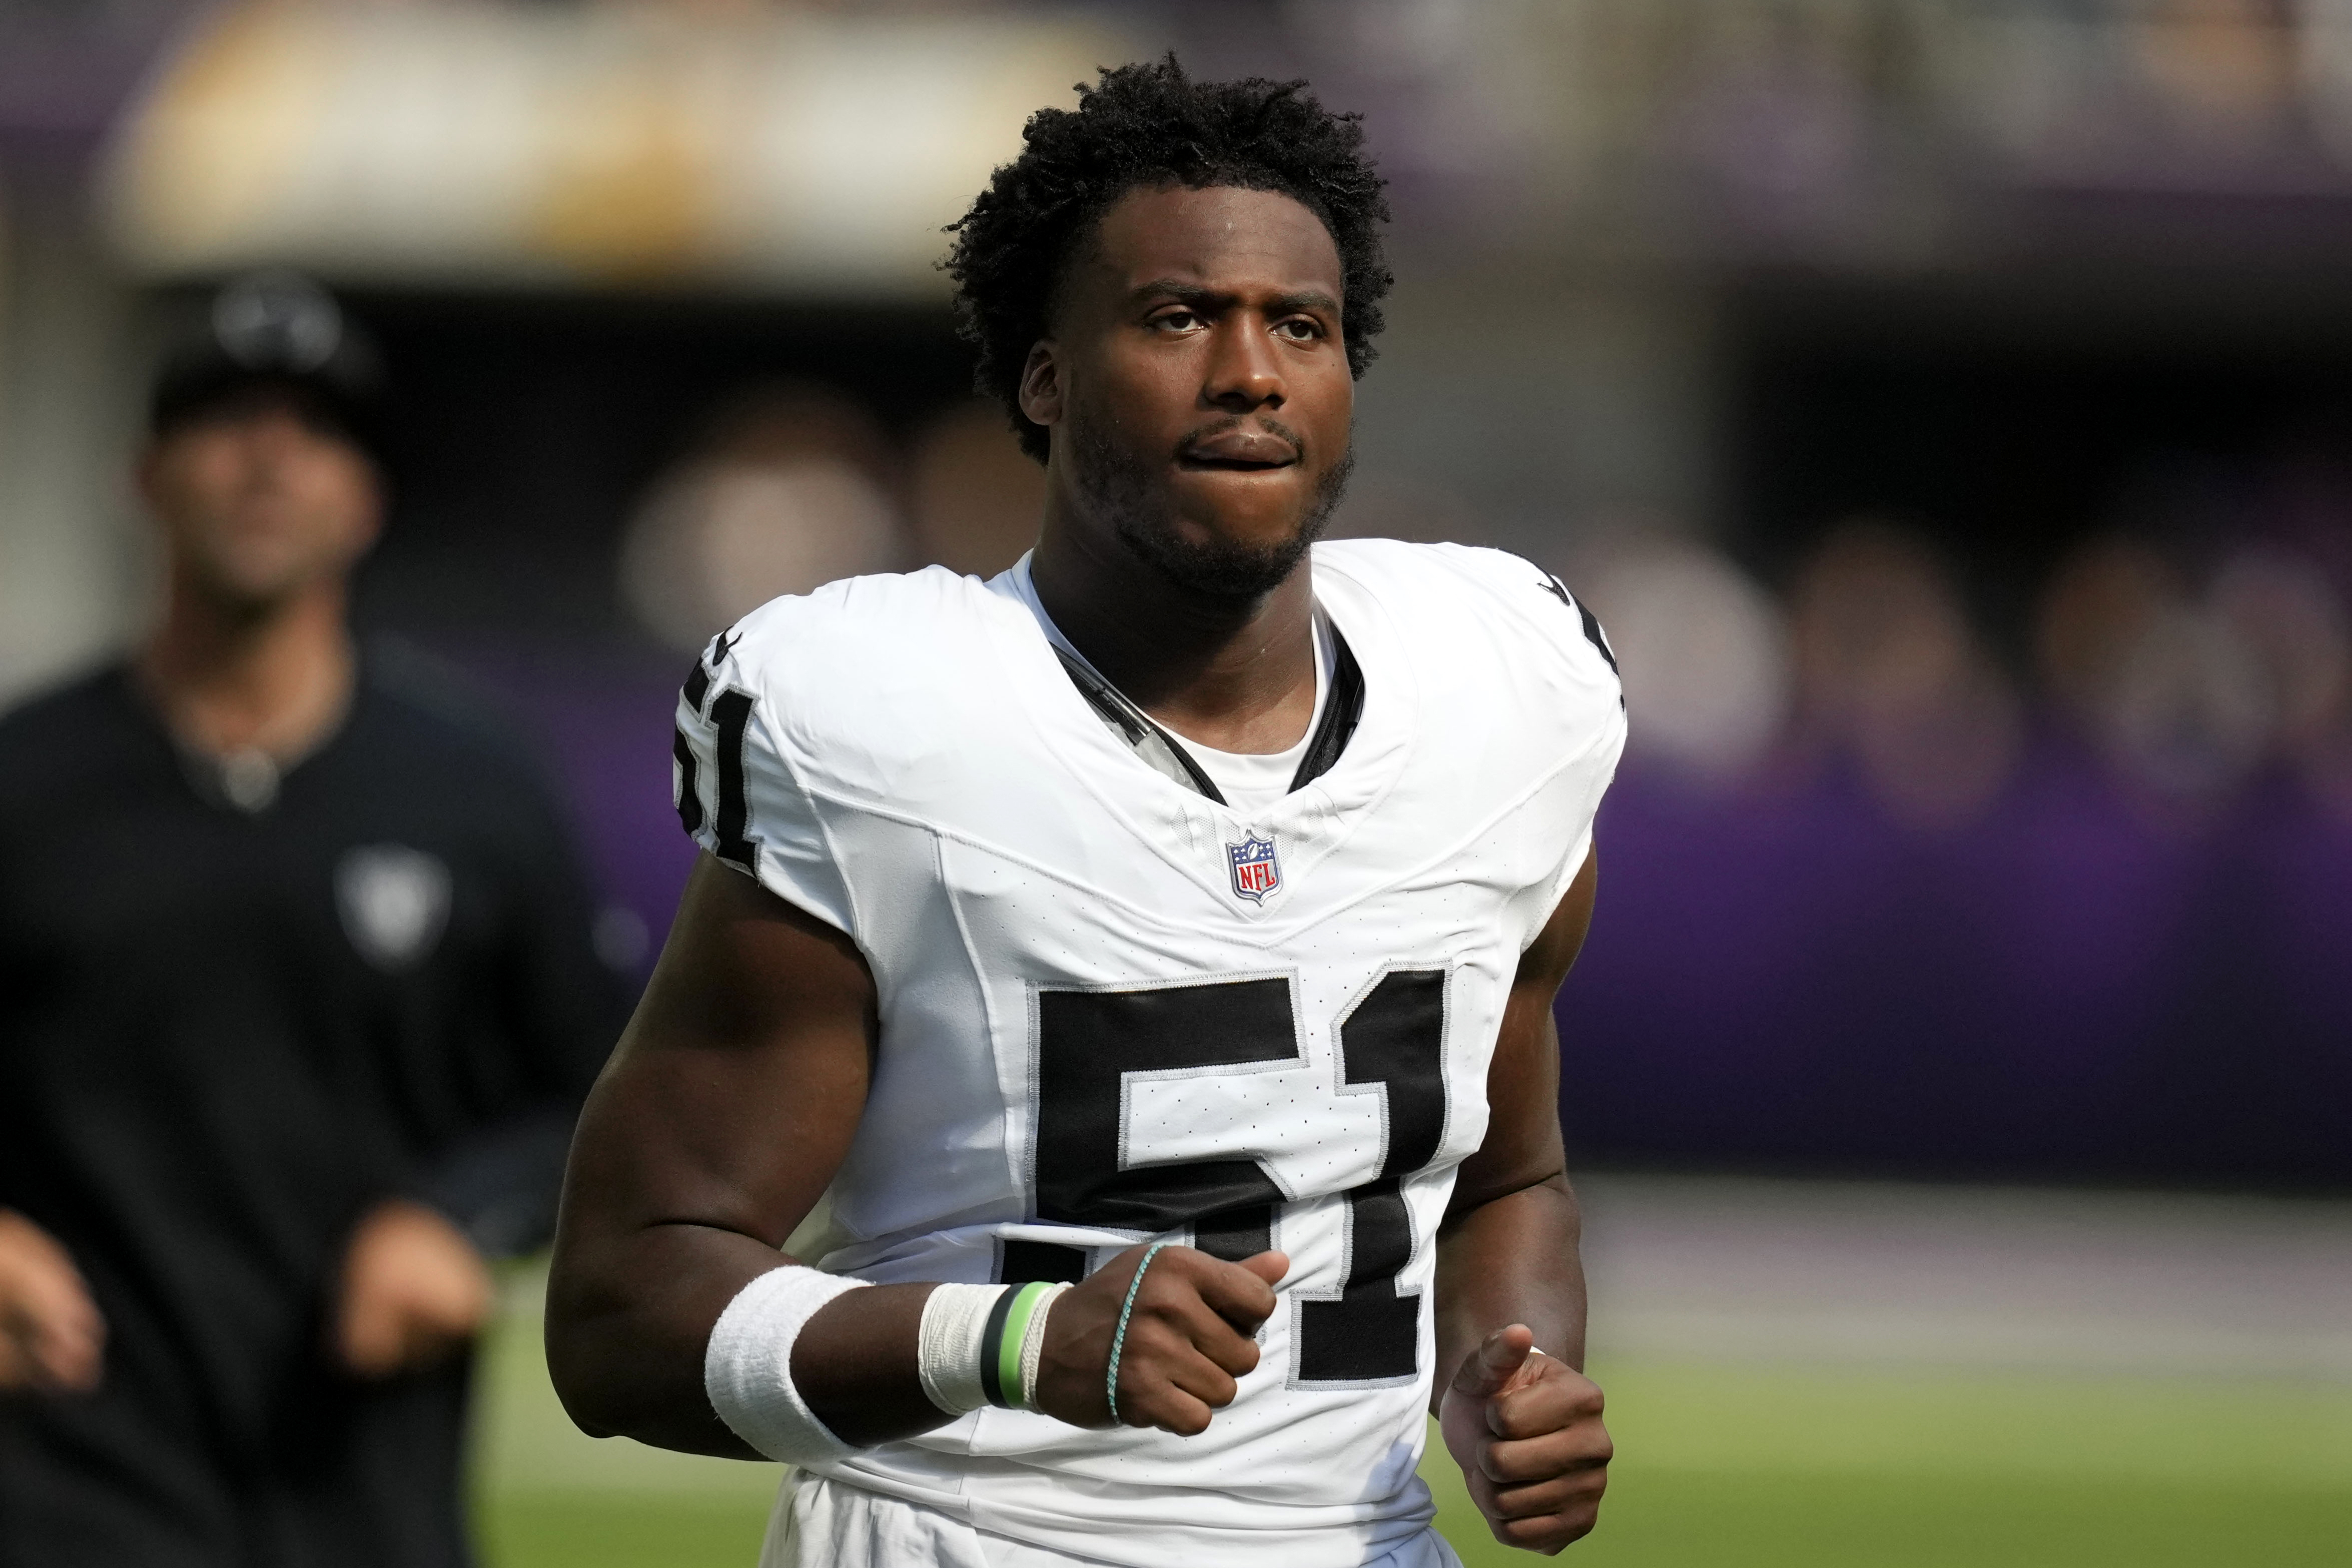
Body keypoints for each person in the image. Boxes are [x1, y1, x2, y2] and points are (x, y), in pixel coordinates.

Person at [547, 59, 1623, 1566]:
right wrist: (1010, 1344)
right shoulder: (889, 722)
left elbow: (1511, 1175)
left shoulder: (1502, 688)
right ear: (1044, 379)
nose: (1251, 370)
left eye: (1299, 327)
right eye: (1180, 317)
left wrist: (1505, 1375)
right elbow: (620, 1305)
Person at [0, 274, 622, 1567]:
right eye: (224, 416)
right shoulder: (25, 781)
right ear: (145, 475)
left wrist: (460, 1218)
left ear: (367, 497)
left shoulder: (473, 791)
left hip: (364, 1489)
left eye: (316, 426)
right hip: (71, 1470)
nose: (270, 456)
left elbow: (598, 1093)